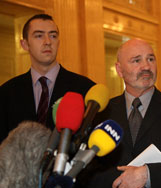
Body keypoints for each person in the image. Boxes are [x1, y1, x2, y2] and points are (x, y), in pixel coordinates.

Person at [67, 38, 161, 188]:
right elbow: (85, 168)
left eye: (150, 59)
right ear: (119, 70)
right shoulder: (100, 111)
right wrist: (124, 184)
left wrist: (147, 177)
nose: (146, 66)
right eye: (136, 60)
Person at [0, 14, 95, 143]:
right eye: (39, 36)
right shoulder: (6, 93)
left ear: (58, 42)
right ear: (25, 44)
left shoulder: (86, 89)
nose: (48, 42)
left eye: (53, 36)